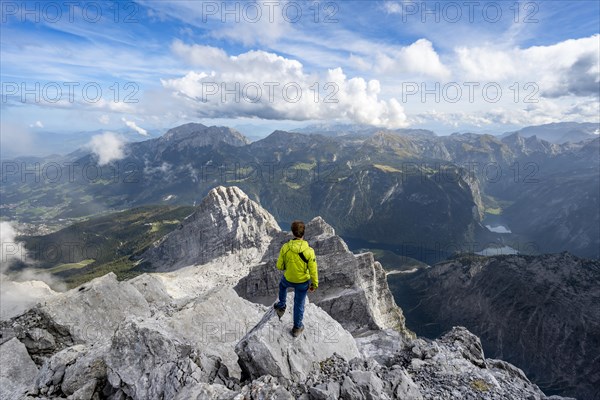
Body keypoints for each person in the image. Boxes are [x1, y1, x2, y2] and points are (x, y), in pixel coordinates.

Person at [274, 220, 318, 337]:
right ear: (303, 233)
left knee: (282, 286)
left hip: (288, 278)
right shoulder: (309, 251)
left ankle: (281, 305)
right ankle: (297, 328)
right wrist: (314, 284)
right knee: (299, 303)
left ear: (293, 233)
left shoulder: (285, 247)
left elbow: (279, 266)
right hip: (302, 282)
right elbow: (313, 271)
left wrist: (286, 266)